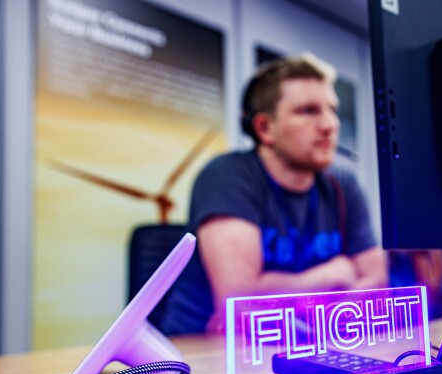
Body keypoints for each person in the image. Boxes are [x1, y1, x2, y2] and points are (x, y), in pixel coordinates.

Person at [160, 54, 387, 334]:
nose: (330, 125)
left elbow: (377, 285)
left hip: (298, 345)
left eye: (332, 109)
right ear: (265, 128)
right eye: (308, 110)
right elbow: (240, 303)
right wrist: (331, 275)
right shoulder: (227, 176)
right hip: (201, 355)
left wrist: (277, 297)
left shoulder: (343, 186)